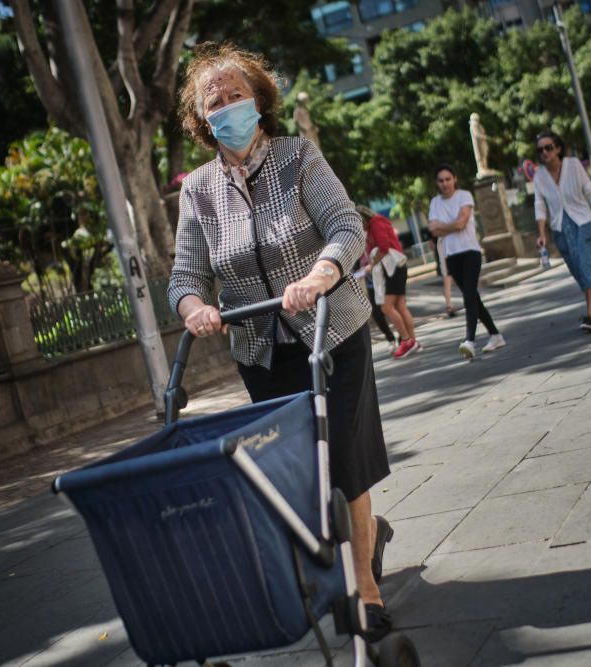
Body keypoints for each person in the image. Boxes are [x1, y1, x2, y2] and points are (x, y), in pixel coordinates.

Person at [168, 43, 394, 640]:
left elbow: (345, 225)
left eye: (235, 94)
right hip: (262, 351)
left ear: (259, 101)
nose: (225, 105)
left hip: (332, 330)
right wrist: (195, 309)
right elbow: (186, 277)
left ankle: (366, 587)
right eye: (212, 101)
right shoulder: (197, 191)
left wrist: (320, 274)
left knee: (344, 464)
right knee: (296, 477)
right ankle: (359, 540)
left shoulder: (298, 156)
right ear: (201, 119)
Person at [533, 131, 591, 332]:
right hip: (560, 228)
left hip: (583, 222)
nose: (545, 152)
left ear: (558, 148)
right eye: (540, 149)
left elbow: (590, 190)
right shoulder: (540, 175)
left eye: (548, 147)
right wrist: (541, 233)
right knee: (578, 270)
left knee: (586, 267)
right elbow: (540, 204)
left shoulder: (573, 165)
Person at [428, 164, 505, 359]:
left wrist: (443, 226)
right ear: (437, 183)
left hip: (470, 251)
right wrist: (449, 226)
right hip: (451, 255)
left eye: (448, 179)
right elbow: (433, 230)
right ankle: (495, 335)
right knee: (474, 298)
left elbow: (462, 224)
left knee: (469, 295)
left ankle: (469, 340)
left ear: (454, 179)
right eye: (441, 180)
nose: (445, 183)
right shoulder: (435, 203)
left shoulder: (465, 196)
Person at [357, 205, 421, 359]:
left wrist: (372, 264)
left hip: (393, 269)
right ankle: (413, 341)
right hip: (396, 268)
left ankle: (406, 341)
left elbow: (384, 247)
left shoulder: (376, 224)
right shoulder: (376, 224)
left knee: (386, 307)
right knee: (400, 305)